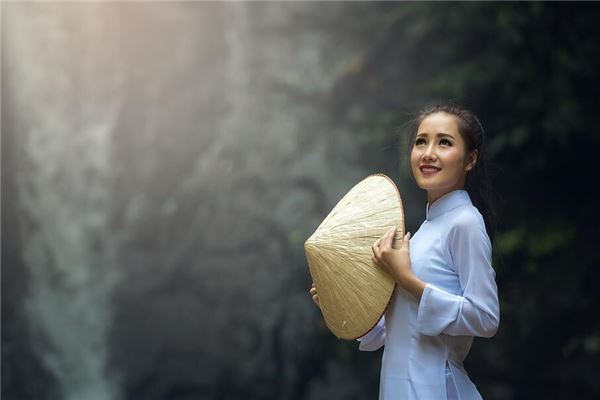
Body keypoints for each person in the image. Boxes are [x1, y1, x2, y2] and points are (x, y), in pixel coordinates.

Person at [309, 104, 500, 399]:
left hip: (435, 389)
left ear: (470, 159)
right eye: (421, 142)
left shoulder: (465, 222)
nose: (428, 153)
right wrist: (339, 301)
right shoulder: (424, 231)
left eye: (444, 142)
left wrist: (406, 279)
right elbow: (396, 329)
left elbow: (485, 318)